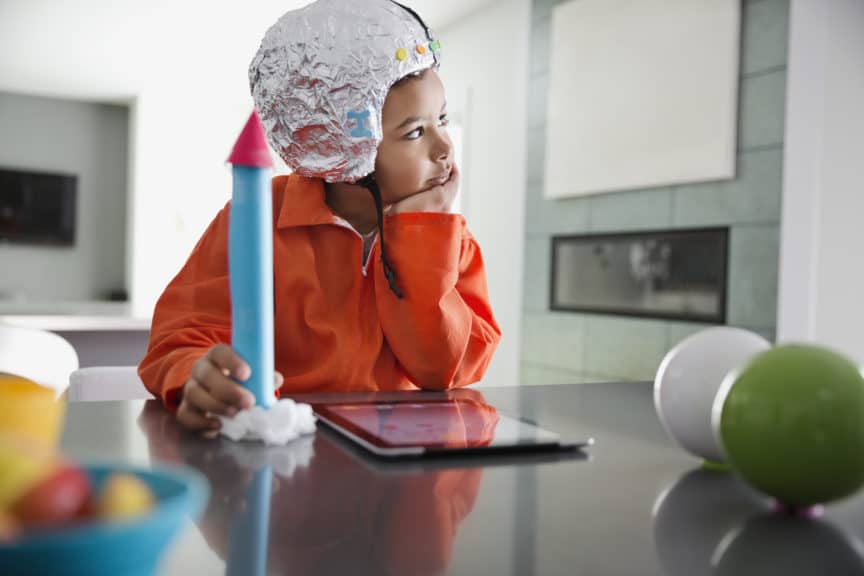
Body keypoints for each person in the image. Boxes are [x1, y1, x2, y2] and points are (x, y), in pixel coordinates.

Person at [138, 0, 501, 433]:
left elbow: (446, 368)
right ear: (344, 147)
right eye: (415, 132)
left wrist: (420, 239)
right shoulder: (259, 217)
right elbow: (179, 336)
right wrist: (195, 373)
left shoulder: (446, 236)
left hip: (401, 460)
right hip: (284, 448)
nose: (445, 147)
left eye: (442, 119)